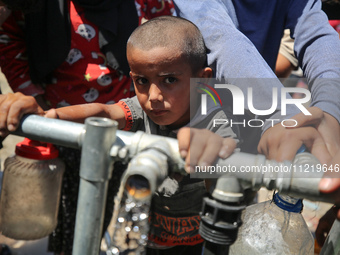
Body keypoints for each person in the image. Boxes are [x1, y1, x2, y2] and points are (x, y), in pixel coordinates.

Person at [0, 16, 237, 254]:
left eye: (170, 80)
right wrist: (48, 116)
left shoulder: (216, 122)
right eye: (142, 81)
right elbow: (104, 111)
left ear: (202, 80)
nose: (153, 96)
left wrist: (209, 154)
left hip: (201, 244)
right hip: (147, 239)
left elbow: (225, 185)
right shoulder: (142, 111)